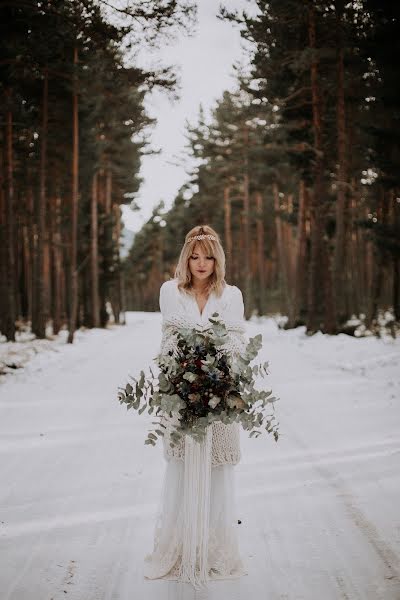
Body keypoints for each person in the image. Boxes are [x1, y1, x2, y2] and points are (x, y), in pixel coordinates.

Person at [143, 224, 248, 589]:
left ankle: (215, 551)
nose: (201, 263)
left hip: (219, 394)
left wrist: (222, 375)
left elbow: (236, 342)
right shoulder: (170, 291)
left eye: (207, 256)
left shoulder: (232, 295)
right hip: (181, 394)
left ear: (216, 258)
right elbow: (173, 337)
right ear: (185, 258)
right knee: (182, 468)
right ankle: (180, 549)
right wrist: (197, 362)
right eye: (194, 255)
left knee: (217, 471)